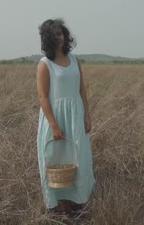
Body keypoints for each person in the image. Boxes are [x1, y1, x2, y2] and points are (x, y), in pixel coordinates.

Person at [36, 18, 95, 220]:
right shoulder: (45, 64)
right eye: (54, 35)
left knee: (77, 158)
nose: (59, 38)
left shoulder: (75, 60)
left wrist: (87, 114)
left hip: (75, 117)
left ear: (65, 35)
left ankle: (76, 204)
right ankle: (60, 207)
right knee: (56, 160)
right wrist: (53, 124)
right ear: (47, 39)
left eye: (61, 34)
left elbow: (81, 90)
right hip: (56, 118)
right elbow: (43, 97)